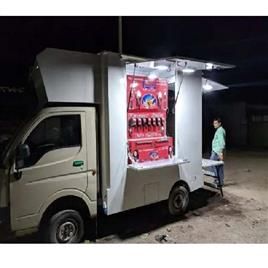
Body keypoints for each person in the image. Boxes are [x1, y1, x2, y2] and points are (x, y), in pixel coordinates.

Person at [210, 118, 226, 187]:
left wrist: (220, 153)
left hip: (217, 152)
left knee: (212, 164)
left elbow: (222, 143)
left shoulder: (220, 131)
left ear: (219, 123)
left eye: (216, 123)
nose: (214, 124)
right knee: (219, 167)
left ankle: (216, 180)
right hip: (218, 151)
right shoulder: (220, 130)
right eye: (214, 123)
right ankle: (220, 182)